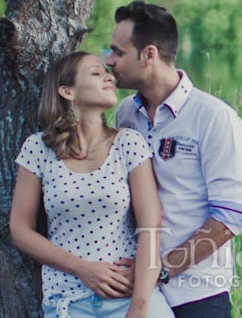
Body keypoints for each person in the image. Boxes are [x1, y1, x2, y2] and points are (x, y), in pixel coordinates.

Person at [106, 1, 242, 318]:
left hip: (197, 293)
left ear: (149, 55)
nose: (109, 61)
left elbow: (230, 217)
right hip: (128, 289)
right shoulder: (125, 114)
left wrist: (159, 270)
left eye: (118, 52)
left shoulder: (214, 117)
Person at [10, 51, 174, 318]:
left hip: (128, 295)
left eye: (106, 72)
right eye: (96, 73)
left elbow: (150, 226)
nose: (109, 77)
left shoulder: (128, 143)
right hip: (67, 301)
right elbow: (20, 230)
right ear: (67, 91)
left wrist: (140, 305)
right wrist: (82, 268)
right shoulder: (38, 148)